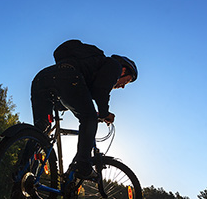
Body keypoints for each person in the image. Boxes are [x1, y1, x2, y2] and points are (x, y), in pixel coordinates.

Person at [31, 39, 137, 181]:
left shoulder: (92, 69)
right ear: (124, 70)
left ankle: (23, 174)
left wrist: (96, 112)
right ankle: (83, 164)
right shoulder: (115, 66)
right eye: (127, 81)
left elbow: (81, 97)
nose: (123, 86)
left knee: (40, 130)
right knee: (89, 118)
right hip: (68, 77)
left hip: (43, 78)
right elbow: (101, 90)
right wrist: (104, 114)